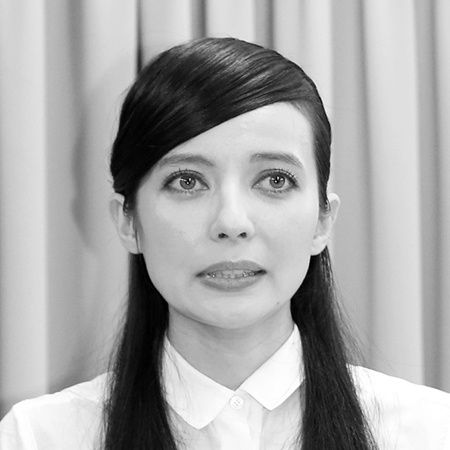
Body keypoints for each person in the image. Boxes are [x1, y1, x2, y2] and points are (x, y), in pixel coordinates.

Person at [1, 37, 449, 450]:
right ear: (129, 221)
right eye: (187, 181)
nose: (231, 223)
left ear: (322, 220)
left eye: (275, 180)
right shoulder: (38, 437)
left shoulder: (429, 431)